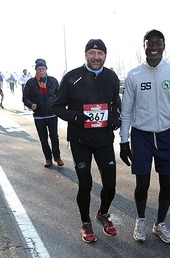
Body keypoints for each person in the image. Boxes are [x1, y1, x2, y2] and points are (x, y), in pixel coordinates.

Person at [119, 29, 170, 244]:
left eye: (158, 43)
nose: (154, 47)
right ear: (143, 46)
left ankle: (160, 224)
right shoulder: (134, 75)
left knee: (167, 183)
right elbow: (126, 112)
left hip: (165, 136)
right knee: (142, 184)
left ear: (163, 46)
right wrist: (124, 142)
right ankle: (141, 219)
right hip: (141, 136)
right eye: (149, 43)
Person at [52, 39, 122, 243]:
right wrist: (75, 117)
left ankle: (102, 214)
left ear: (105, 56)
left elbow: (115, 103)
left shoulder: (111, 76)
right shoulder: (72, 77)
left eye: (99, 53)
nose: (96, 57)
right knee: (85, 184)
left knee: (110, 186)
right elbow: (57, 107)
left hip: (104, 140)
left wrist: (116, 116)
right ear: (86, 55)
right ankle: (85, 222)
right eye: (92, 53)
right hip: (80, 140)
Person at [23, 59, 64, 168]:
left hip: (52, 115)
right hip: (39, 116)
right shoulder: (30, 83)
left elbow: (60, 96)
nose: (41, 71)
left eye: (43, 69)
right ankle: (48, 158)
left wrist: (59, 107)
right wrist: (31, 104)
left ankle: (57, 157)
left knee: (54, 137)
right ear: (36, 70)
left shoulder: (53, 81)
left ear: (46, 69)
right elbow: (25, 98)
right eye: (39, 69)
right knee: (43, 138)